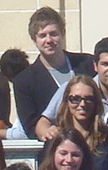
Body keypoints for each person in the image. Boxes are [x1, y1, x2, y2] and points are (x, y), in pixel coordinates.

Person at [12, 9, 92, 138]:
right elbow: (30, 126)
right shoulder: (24, 81)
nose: (49, 40)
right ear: (34, 39)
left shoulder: (86, 63)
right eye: (42, 36)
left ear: (63, 34)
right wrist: (47, 132)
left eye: (53, 34)